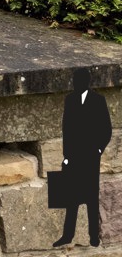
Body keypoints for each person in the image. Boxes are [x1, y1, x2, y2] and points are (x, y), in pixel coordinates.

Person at [53, 82, 111, 248]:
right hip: (74, 157)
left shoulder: (98, 100)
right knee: (72, 198)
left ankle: (94, 237)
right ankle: (67, 235)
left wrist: (99, 149)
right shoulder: (70, 100)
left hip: (91, 157)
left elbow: (106, 128)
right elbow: (67, 129)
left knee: (92, 198)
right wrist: (66, 156)